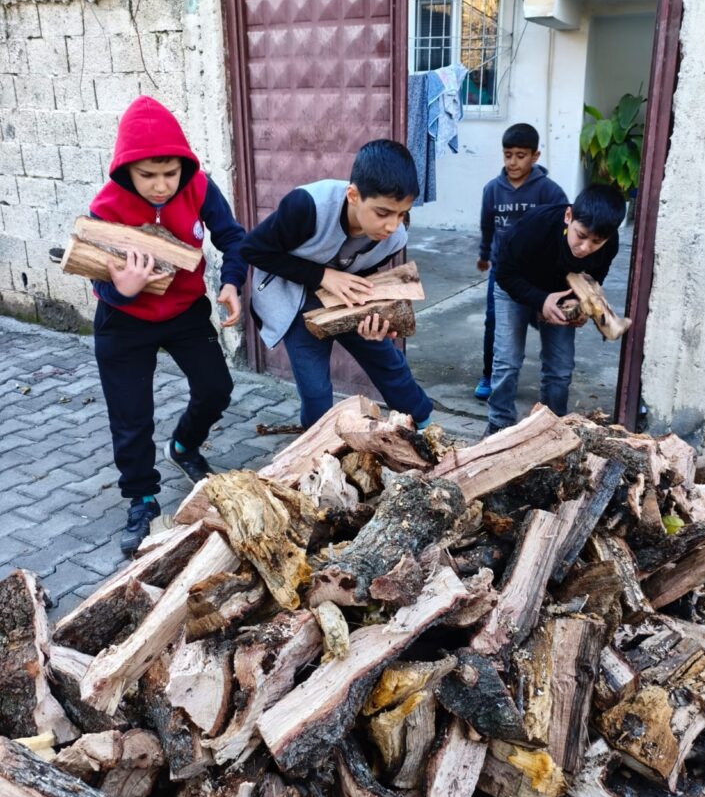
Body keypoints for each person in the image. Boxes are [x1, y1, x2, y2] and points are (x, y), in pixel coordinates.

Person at [90, 96, 247, 555]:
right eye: (147, 175)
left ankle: (183, 446)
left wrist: (232, 284)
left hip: (184, 311)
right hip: (123, 319)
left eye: (169, 174)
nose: (161, 186)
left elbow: (233, 238)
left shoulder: (198, 185)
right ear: (127, 172)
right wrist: (122, 288)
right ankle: (141, 497)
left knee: (216, 387)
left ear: (183, 166)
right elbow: (96, 273)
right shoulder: (107, 204)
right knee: (131, 416)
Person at [240, 139, 433, 431]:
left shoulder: (395, 237)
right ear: (353, 195)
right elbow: (252, 250)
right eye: (383, 213)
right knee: (316, 392)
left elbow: (366, 274)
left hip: (347, 298)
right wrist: (322, 276)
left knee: (388, 361)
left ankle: (425, 429)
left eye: (401, 213)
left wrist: (379, 318)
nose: (392, 225)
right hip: (294, 300)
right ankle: (317, 453)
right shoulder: (306, 206)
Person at [486, 183, 626, 433]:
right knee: (507, 360)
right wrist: (541, 300)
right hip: (515, 285)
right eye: (580, 235)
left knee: (560, 369)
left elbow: (591, 279)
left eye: (596, 242)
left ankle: (553, 429)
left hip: (560, 292)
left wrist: (580, 306)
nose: (584, 248)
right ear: (568, 216)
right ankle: (498, 424)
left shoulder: (609, 245)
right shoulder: (535, 225)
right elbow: (504, 274)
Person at [474, 123, 568, 400]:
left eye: (520, 155)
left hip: (541, 275)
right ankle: (489, 374)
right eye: (507, 154)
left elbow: (563, 234)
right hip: (502, 272)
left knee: (548, 321)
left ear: (535, 156)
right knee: (494, 324)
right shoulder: (492, 190)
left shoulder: (550, 192)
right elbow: (487, 226)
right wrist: (483, 255)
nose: (513, 162)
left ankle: (551, 389)